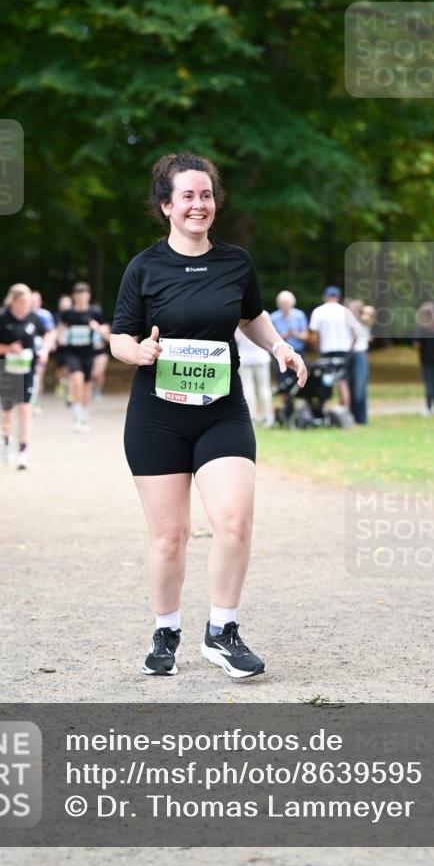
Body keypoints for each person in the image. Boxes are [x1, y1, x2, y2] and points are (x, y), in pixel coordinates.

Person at [110, 152, 306, 679]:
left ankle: (222, 632)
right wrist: (138, 352)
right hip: (157, 417)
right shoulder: (144, 267)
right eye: (188, 196)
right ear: (166, 205)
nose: (199, 205)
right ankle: (166, 631)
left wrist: (279, 347)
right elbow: (119, 336)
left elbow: (251, 315)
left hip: (222, 412)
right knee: (169, 536)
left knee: (234, 520)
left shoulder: (236, 262)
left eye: (206, 195)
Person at [0, 283, 54, 469]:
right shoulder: (1, 318)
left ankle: (23, 453)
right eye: (22, 301)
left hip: (27, 371)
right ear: (13, 301)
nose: (26, 305)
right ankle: (7, 442)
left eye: (28, 301)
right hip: (5, 371)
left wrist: (45, 350)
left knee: (25, 408)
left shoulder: (33, 318)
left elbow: (48, 334)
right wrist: (8, 349)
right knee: (7, 411)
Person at [58, 283, 109, 432]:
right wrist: (60, 336)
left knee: (87, 386)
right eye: (78, 295)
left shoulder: (95, 312)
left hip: (89, 353)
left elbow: (106, 329)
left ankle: (84, 416)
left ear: (88, 296)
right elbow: (60, 327)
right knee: (77, 380)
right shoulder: (68, 313)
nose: (81, 298)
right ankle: (77, 415)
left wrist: (97, 327)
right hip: (72, 352)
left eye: (84, 294)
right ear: (74, 296)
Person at [308, 286, 361, 410]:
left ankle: (325, 408)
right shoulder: (345, 311)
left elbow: (314, 336)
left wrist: (317, 350)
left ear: (325, 297)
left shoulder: (318, 311)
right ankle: (345, 409)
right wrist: (350, 348)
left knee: (325, 379)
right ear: (338, 297)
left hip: (326, 350)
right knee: (343, 380)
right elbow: (355, 333)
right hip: (343, 350)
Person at [235, 321, 275, 428]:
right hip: (260, 357)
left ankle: (252, 417)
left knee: (248, 388)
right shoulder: (264, 315)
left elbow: (237, 338)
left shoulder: (238, 317)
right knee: (264, 388)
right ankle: (267, 418)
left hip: (245, 358)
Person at [269, 290, 309, 384]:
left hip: (298, 351)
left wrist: (295, 334)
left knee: (299, 378)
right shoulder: (273, 317)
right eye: (283, 303)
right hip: (281, 353)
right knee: (282, 380)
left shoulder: (299, 315)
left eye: (287, 303)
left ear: (292, 303)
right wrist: (284, 336)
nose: (285, 305)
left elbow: (306, 336)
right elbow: (270, 338)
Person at [345, 299, 375, 425]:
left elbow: (370, 314)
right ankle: (352, 415)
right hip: (349, 354)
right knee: (349, 386)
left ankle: (361, 418)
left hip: (359, 354)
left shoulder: (363, 320)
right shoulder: (348, 321)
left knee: (359, 387)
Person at [413, 302, 434, 417]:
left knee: (428, 384)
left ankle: (429, 408)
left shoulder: (421, 327)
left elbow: (417, 344)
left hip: (425, 359)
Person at [30, 291, 56, 414]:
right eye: (32, 300)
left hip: (40, 351)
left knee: (38, 377)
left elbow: (51, 331)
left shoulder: (45, 315)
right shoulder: (24, 314)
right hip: (26, 352)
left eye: (36, 300)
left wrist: (47, 347)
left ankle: (36, 403)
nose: (33, 303)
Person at [89, 298, 112, 400]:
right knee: (90, 373)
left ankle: (97, 390)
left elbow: (109, 339)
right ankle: (89, 390)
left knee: (98, 373)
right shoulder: (86, 323)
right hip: (89, 351)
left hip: (101, 351)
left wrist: (98, 328)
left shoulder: (105, 326)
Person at [54, 294, 72, 404]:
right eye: (63, 303)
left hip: (70, 347)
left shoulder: (74, 315)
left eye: (67, 303)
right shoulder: (56, 317)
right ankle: (59, 384)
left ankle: (70, 392)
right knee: (60, 368)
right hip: (60, 347)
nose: (65, 305)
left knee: (69, 368)